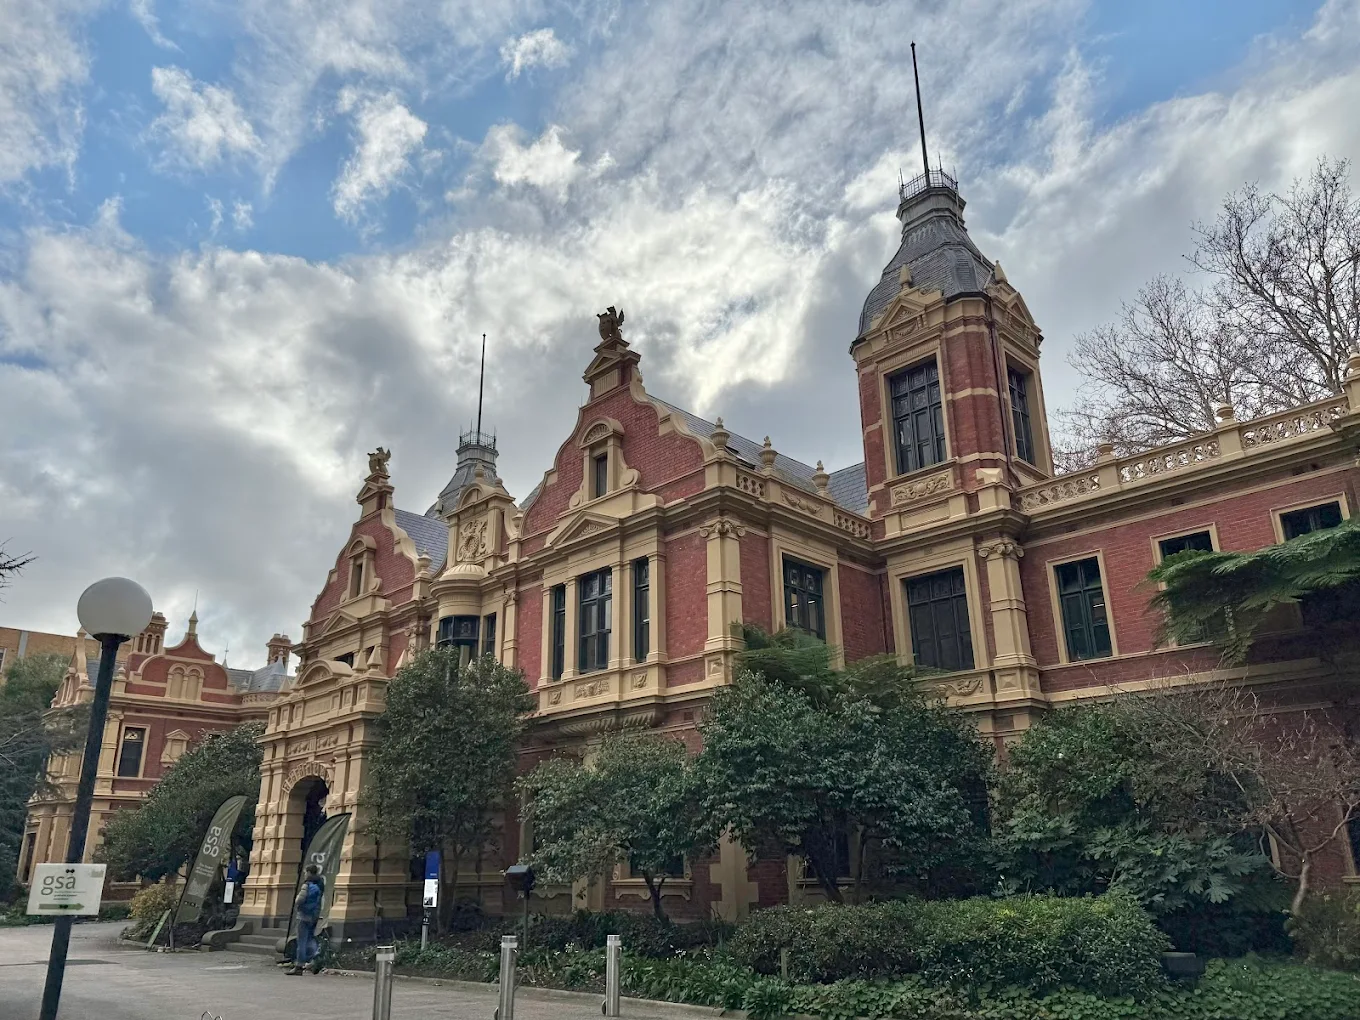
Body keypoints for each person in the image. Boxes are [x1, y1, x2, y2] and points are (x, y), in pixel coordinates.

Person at [287, 865, 325, 975]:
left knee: (302, 941)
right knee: (310, 939)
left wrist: (297, 904)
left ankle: (299, 966)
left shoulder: (307, 885)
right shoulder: (320, 883)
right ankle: (315, 960)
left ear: (308, 872)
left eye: (305, 872)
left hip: (303, 915)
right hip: (314, 916)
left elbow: (300, 900)